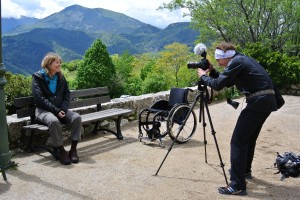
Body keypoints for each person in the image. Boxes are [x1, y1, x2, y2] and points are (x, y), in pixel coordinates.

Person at [197, 42, 277, 195]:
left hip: (258, 101)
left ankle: (237, 185)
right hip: (267, 100)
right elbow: (226, 82)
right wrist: (212, 72)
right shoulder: (241, 59)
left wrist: (203, 77)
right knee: (248, 138)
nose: (219, 63)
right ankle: (244, 171)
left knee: (237, 141)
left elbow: (218, 86)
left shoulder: (237, 62)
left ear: (226, 57)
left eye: (219, 60)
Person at [32, 52, 82, 165]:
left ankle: (73, 150)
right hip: (43, 110)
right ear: (49, 64)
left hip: (60, 109)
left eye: (60, 63)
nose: (59, 65)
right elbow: (39, 98)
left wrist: (63, 109)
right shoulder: (38, 77)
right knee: (53, 121)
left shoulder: (60, 77)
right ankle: (61, 151)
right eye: (57, 63)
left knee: (76, 118)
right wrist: (56, 111)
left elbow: (66, 94)